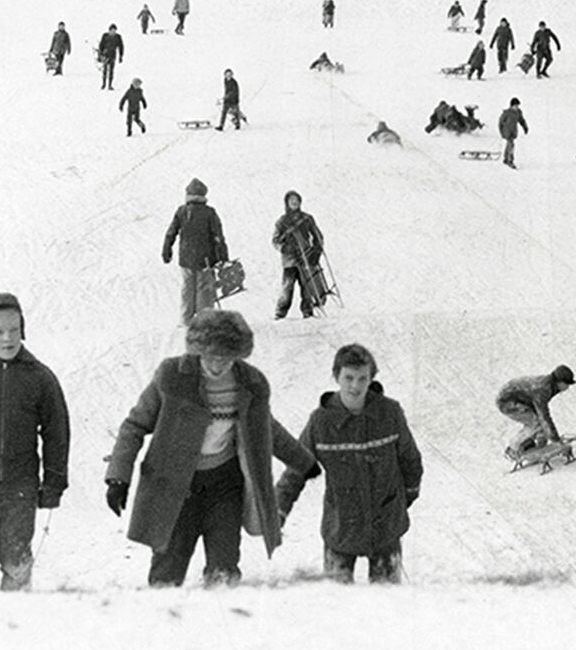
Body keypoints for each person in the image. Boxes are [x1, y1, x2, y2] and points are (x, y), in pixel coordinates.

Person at [105, 310, 317, 588]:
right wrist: (118, 476)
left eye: (226, 359)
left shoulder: (251, 383)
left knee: (224, 569)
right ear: (197, 351)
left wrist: (304, 461)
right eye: (210, 357)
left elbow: (266, 428)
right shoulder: (173, 377)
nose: (217, 366)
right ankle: (162, 623)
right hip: (176, 488)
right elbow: (134, 425)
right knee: (167, 571)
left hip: (224, 486)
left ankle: (220, 625)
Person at [276, 344, 423, 584]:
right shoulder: (321, 422)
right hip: (341, 526)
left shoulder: (390, 413)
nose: (355, 386)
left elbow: (410, 460)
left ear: (371, 378)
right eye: (349, 378)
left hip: (385, 525)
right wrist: (278, 511)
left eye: (362, 378)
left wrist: (406, 496)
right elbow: (296, 469)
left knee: (389, 605)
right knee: (338, 604)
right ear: (337, 377)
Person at [0, 294, 70, 591]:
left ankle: (16, 612)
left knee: (16, 558)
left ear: (23, 329)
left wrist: (54, 483)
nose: (7, 339)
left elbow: (57, 432)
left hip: (19, 485)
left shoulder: (40, 378)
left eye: (14, 331)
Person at [162, 177, 228, 325]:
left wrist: (167, 249)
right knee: (204, 288)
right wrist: (223, 256)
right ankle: (204, 320)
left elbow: (171, 232)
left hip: (186, 258)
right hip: (205, 258)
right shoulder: (209, 212)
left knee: (187, 287)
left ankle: (186, 319)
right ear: (204, 195)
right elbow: (218, 236)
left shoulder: (182, 211)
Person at [496, 365, 576, 459]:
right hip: (507, 402)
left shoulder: (550, 385)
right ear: (559, 381)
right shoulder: (543, 389)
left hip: (521, 399)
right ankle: (512, 450)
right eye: (567, 384)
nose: (568, 387)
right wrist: (555, 439)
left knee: (539, 422)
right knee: (535, 423)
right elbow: (544, 415)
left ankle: (535, 443)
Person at [272, 191, 325, 320]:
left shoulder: (307, 218)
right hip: (289, 260)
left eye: (296, 200)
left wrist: (317, 251)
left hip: (306, 257)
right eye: (291, 200)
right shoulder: (282, 221)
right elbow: (275, 240)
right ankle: (280, 313)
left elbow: (318, 236)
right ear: (287, 203)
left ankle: (308, 311)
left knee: (307, 285)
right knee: (287, 287)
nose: (294, 202)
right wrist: (284, 247)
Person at [498, 97, 528, 169]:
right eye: (515, 106)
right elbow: (500, 122)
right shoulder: (507, 113)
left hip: (513, 131)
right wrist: (501, 132)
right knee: (511, 145)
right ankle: (510, 160)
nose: (517, 107)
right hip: (507, 132)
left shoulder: (518, 112)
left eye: (517, 106)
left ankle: (506, 159)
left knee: (509, 145)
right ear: (511, 106)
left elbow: (521, 120)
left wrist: (525, 127)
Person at [97, 23, 124, 91]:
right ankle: (103, 84)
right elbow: (101, 46)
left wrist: (121, 56)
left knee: (111, 70)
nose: (113, 32)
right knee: (105, 70)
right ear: (109, 30)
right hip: (105, 55)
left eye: (114, 30)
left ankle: (110, 85)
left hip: (113, 55)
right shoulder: (105, 36)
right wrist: (100, 55)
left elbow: (121, 46)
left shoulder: (118, 37)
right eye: (112, 30)